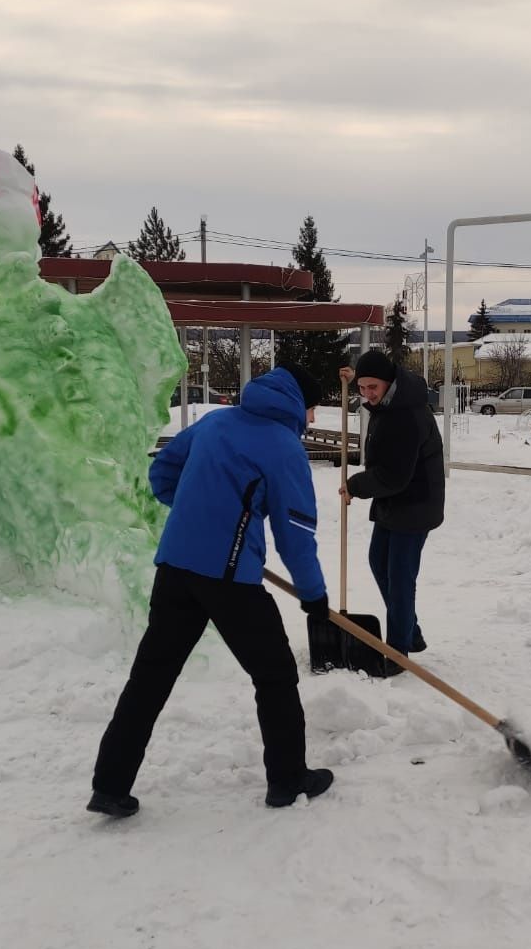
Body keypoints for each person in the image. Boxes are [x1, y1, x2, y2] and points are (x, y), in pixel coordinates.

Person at [89, 362, 333, 816]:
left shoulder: (216, 421)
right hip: (228, 579)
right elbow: (296, 532)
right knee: (275, 675)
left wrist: (201, 514)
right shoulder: (283, 447)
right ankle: (288, 778)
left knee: (151, 676)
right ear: (299, 402)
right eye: (314, 408)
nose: (313, 419)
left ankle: (110, 784)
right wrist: (314, 596)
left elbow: (163, 474)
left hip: (176, 566)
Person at [338, 349, 445, 671]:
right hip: (394, 499)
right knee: (378, 562)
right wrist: (349, 380)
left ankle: (398, 653)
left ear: (389, 383)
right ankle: (409, 632)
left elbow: (394, 475)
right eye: (362, 387)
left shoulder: (405, 415)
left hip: (414, 503)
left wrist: (355, 486)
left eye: (373, 387)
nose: (368, 394)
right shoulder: (388, 403)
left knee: (399, 577)